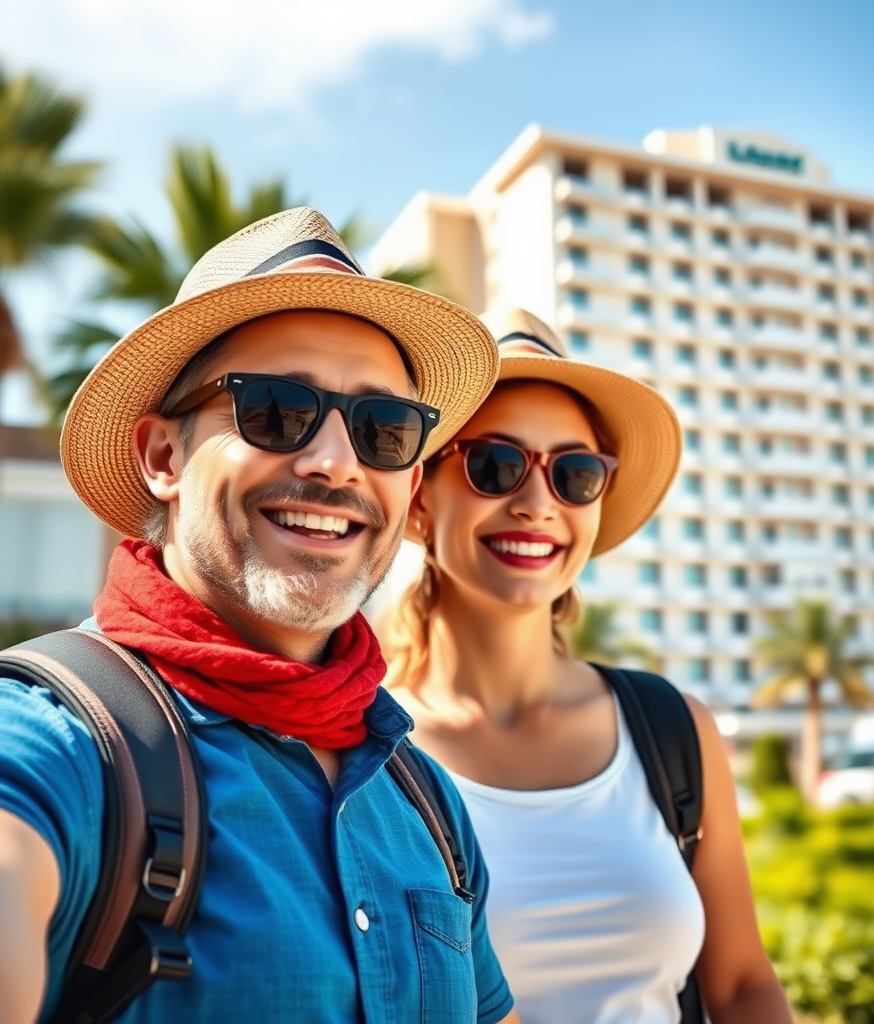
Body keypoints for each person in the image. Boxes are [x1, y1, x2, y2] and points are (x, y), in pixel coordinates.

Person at [0, 208, 519, 1024]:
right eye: (276, 410)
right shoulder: (55, 743)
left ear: (409, 485)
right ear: (163, 457)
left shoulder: (424, 800)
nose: (335, 463)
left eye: (384, 430)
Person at [384, 308, 794, 1024]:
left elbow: (741, 986)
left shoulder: (672, 730)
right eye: (496, 465)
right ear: (419, 497)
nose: (537, 504)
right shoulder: (368, 750)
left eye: (573, 474)